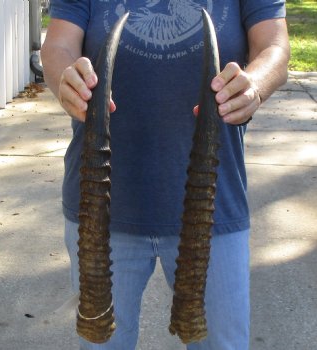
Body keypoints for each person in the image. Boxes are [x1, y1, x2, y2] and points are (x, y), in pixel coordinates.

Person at [41, 1, 290, 349]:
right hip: (101, 208)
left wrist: (255, 85)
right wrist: (66, 77)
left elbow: (274, 47)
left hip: (214, 204)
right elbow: (57, 46)